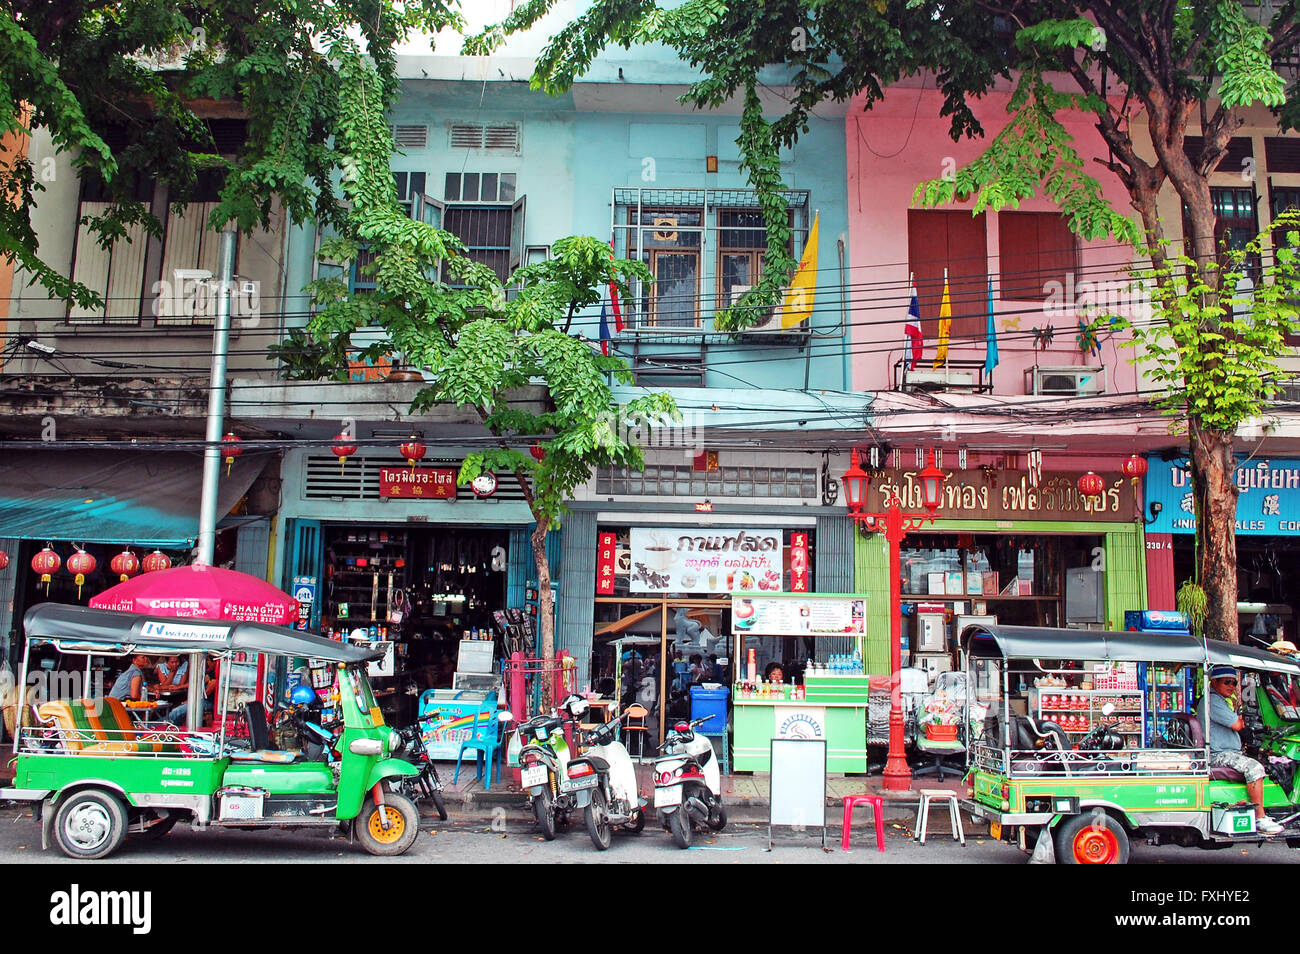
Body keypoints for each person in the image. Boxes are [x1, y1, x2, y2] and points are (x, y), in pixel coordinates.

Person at [1198, 665, 1284, 834]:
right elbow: (1238, 724)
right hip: (1218, 754)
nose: (1231, 686)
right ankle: (1260, 818)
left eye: (1234, 682)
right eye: (1227, 682)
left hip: (1226, 751)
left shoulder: (1219, 700)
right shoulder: (1213, 700)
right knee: (1255, 768)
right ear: (1214, 682)